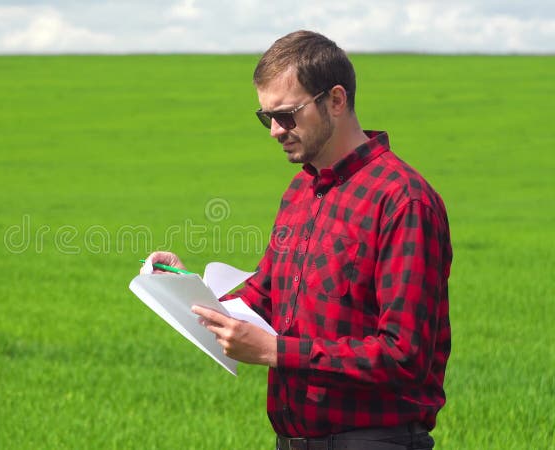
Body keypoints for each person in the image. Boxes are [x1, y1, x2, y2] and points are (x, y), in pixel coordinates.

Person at [143, 30, 452, 450]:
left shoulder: (403, 201)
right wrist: (188, 290)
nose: (274, 130)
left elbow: (405, 356)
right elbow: (267, 295)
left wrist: (277, 352)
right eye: (265, 117)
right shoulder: (300, 193)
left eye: (287, 115)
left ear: (336, 101)